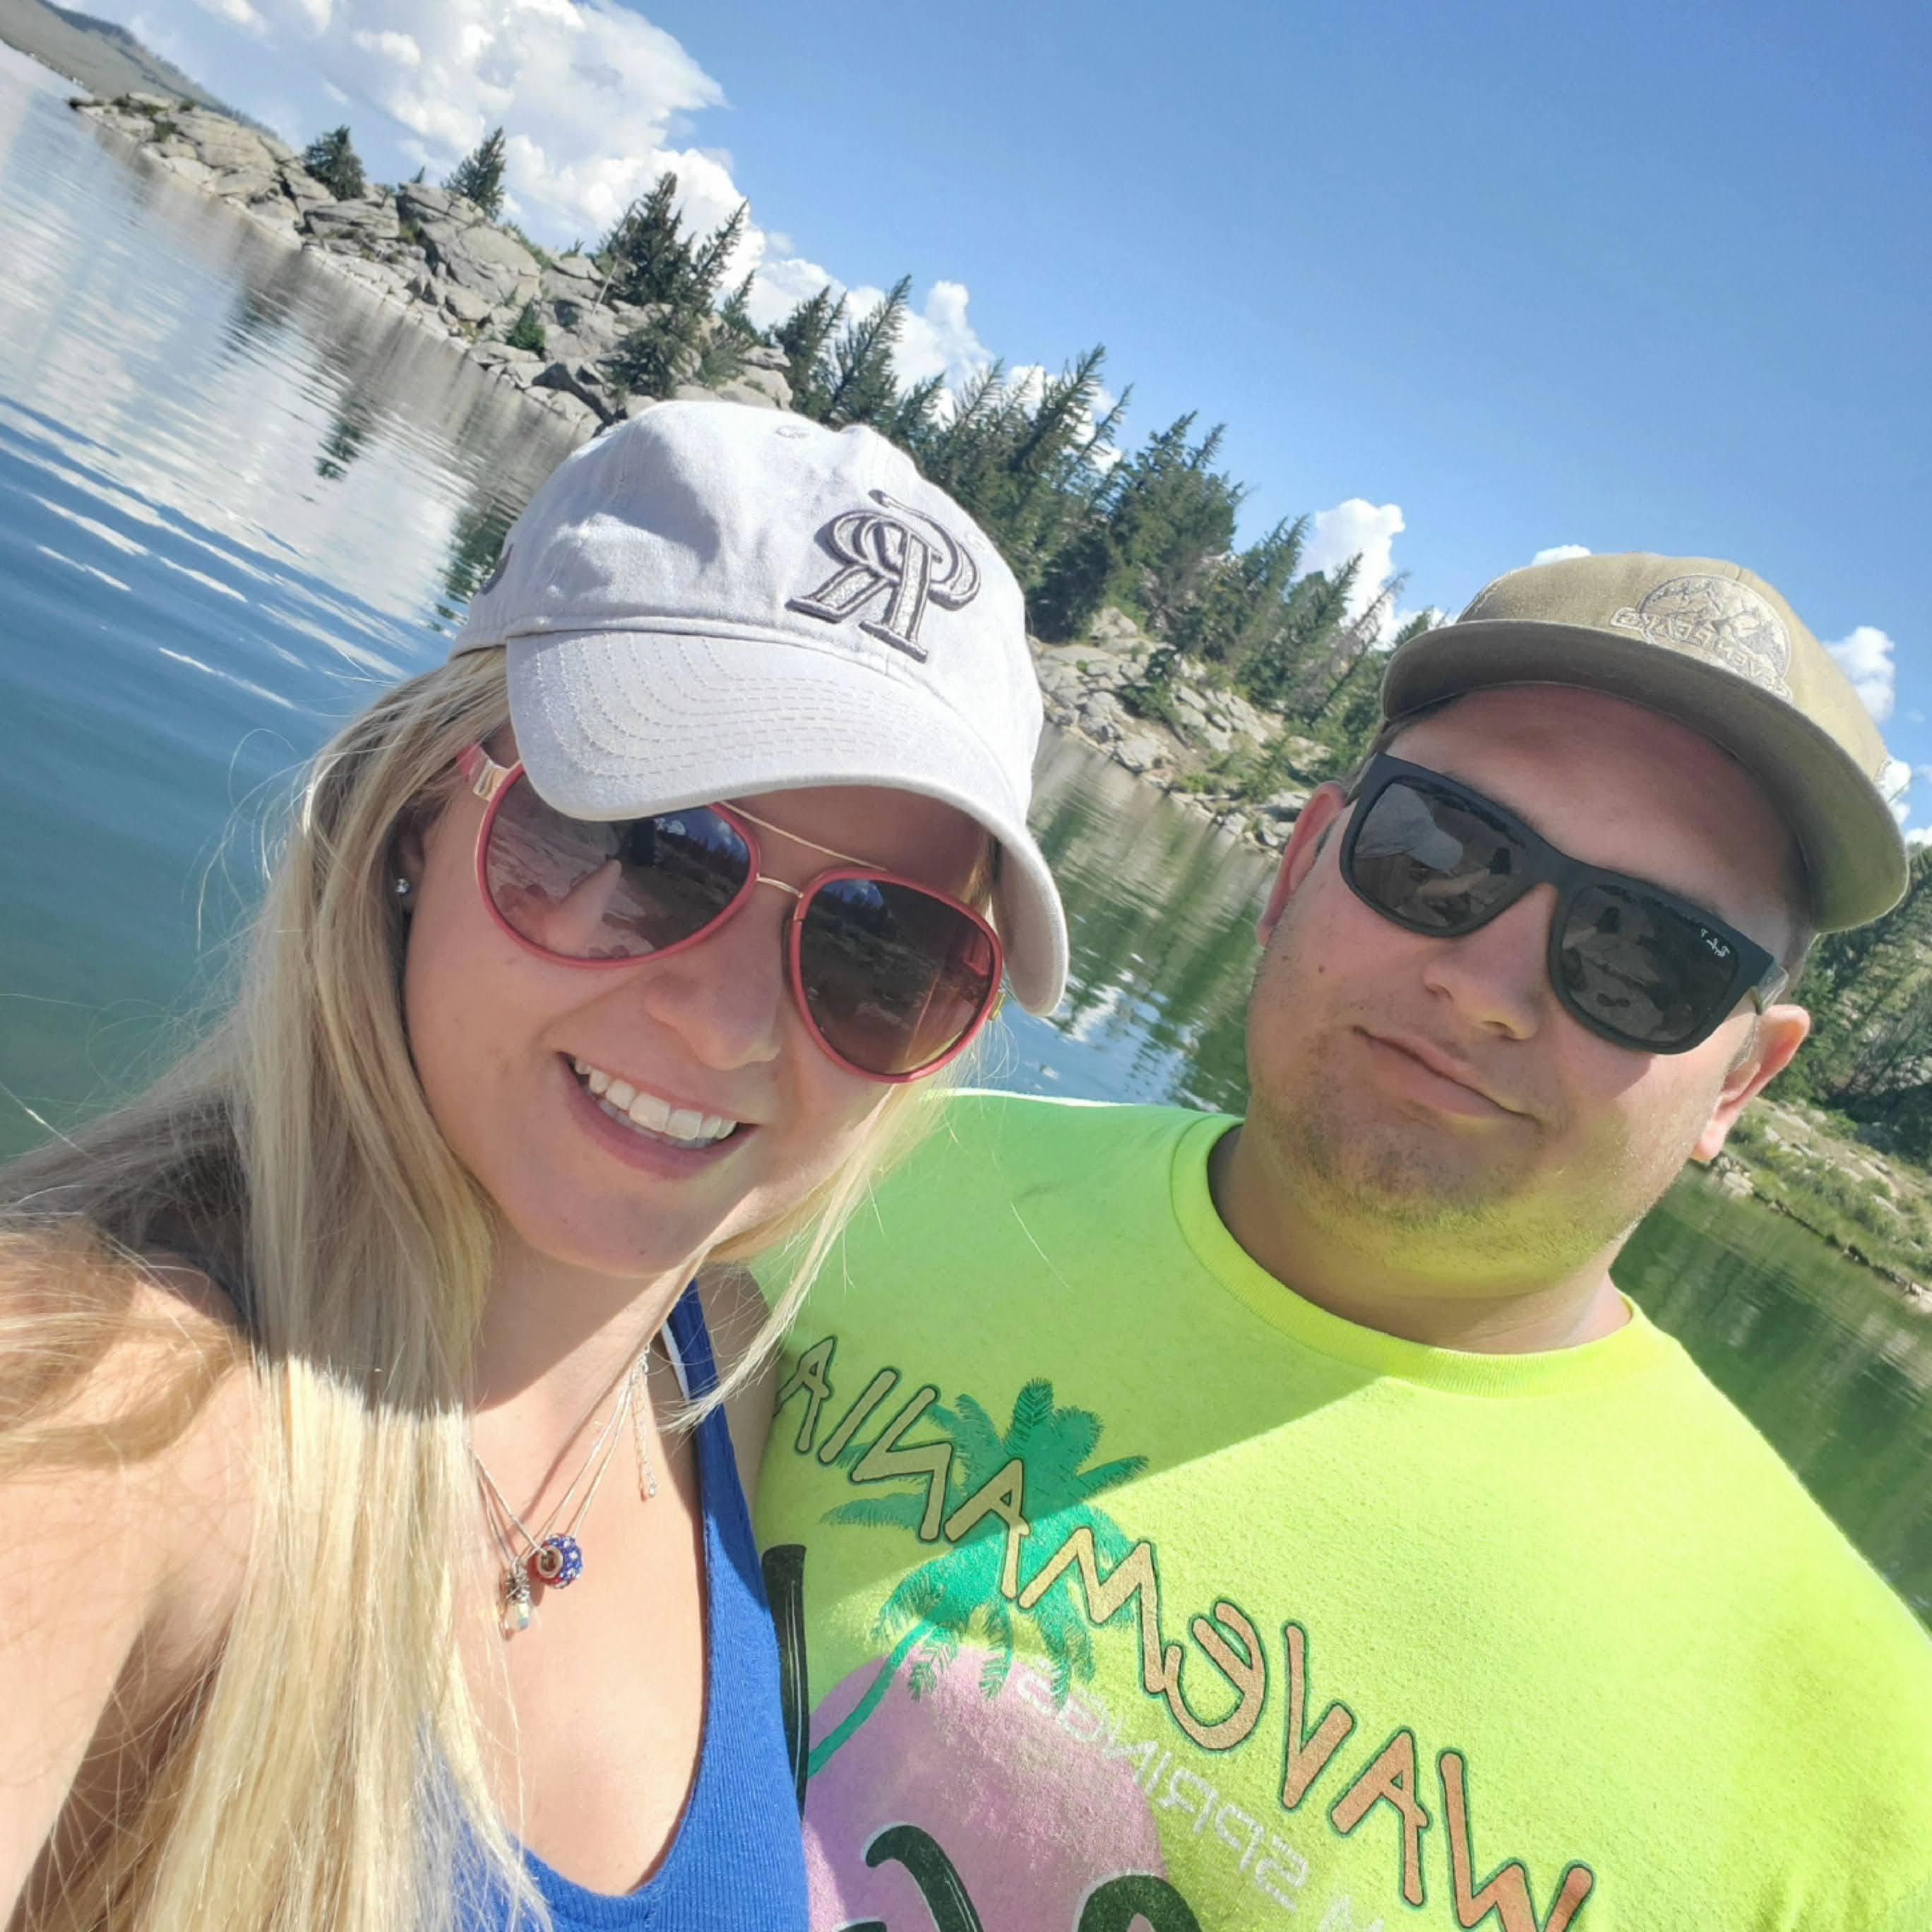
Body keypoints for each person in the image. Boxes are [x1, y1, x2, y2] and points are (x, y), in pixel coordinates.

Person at [0, 399, 1068, 1932]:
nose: (726, 1026)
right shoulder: (99, 1421)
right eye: (651, 845)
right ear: (418, 816)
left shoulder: (732, 1397)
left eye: (882, 950)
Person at [754, 552, 1932, 1932]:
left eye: (1648, 957)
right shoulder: (846, 1179)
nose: (1486, 986)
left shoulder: (1872, 1798)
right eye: (1441, 853)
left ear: (1739, 1082)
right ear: (1302, 862)